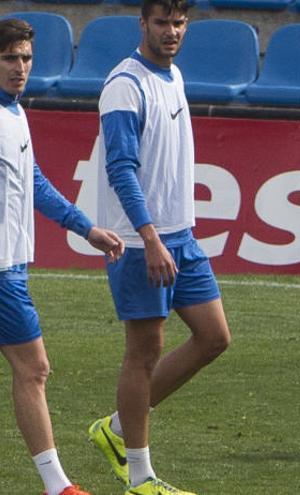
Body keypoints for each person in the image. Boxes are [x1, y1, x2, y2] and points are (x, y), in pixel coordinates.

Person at [87, 1, 231, 494]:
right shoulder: (124, 85)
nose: (171, 32)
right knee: (143, 354)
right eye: (162, 23)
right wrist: (148, 238)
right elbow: (120, 167)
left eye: (179, 23)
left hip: (180, 237)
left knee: (214, 337)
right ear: (142, 24)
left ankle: (118, 429)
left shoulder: (174, 76)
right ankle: (141, 478)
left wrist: (170, 235)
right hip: (137, 241)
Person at [0, 18, 125, 495]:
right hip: (2, 272)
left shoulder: (15, 113)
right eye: (10, 57)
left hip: (11, 265)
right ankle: (58, 487)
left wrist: (86, 227)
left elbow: (34, 183)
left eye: (26, 58)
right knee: (34, 369)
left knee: (31, 370)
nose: (21, 67)